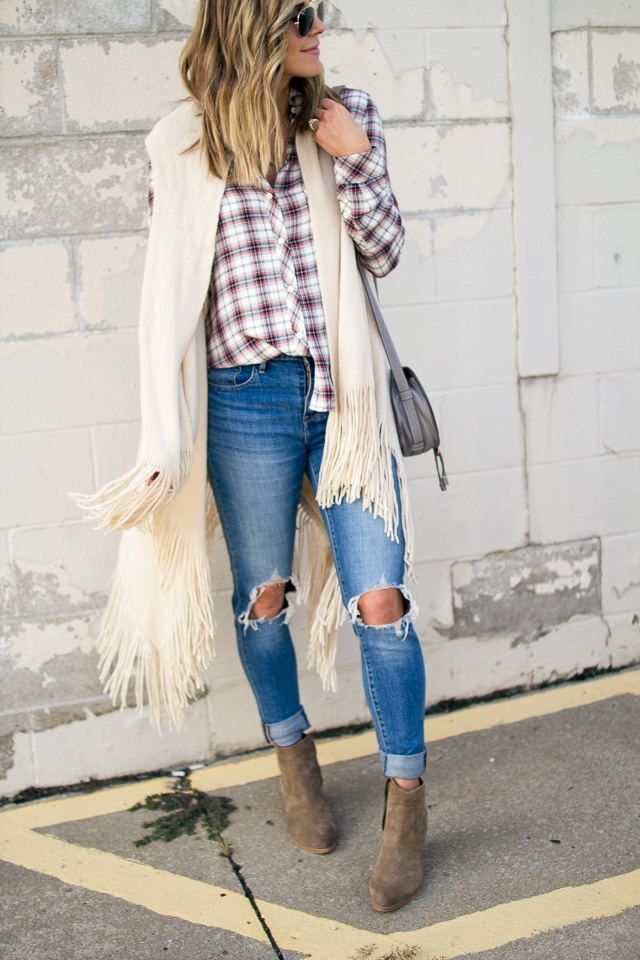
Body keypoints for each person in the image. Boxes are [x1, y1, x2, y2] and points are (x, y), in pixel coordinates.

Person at [77, 0, 428, 913]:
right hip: (246, 401)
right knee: (262, 598)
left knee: (379, 601)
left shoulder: (344, 114)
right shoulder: (181, 145)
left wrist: (351, 154)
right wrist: (167, 433)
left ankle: (405, 804)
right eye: (302, 13)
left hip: (340, 397)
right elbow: (172, 297)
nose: (322, 24)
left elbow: (385, 252)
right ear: (251, 24)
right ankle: (293, 758)